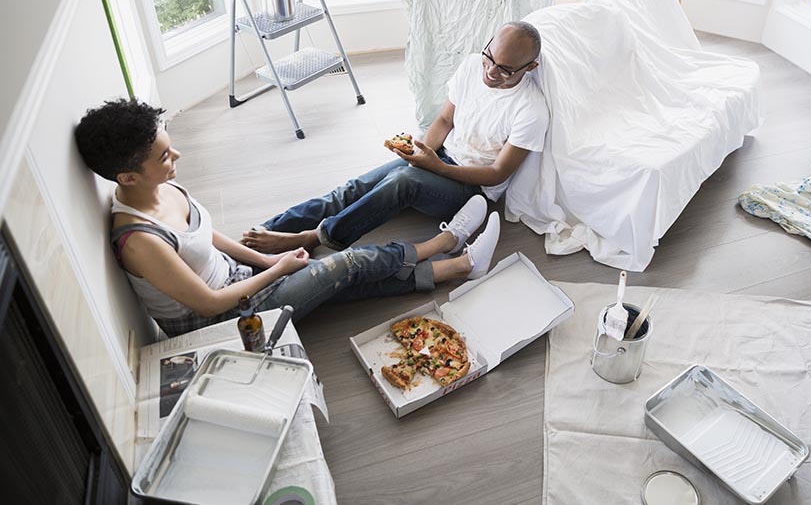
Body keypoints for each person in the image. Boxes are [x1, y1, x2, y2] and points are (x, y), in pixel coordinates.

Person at [75, 99, 501, 337]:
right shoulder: (140, 241)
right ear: (128, 176)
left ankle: (459, 267)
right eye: (164, 156)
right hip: (227, 321)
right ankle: (443, 245)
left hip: (237, 277)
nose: (177, 156)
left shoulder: (158, 186)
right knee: (344, 265)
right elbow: (207, 304)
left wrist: (263, 262)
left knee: (333, 277)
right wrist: (278, 267)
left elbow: (209, 235)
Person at [242, 20, 549, 254]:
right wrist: (422, 154)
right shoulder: (472, 65)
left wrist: (433, 167)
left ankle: (316, 238)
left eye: (505, 70)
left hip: (472, 187)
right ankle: (267, 230)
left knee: (401, 183)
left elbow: (497, 174)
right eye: (489, 58)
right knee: (357, 186)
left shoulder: (531, 109)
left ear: (530, 67)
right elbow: (444, 119)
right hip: (440, 158)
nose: (491, 72)